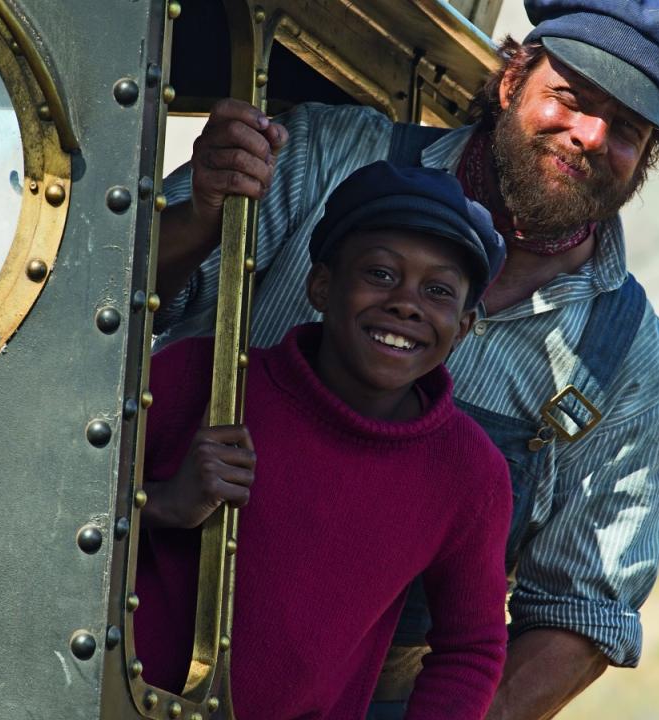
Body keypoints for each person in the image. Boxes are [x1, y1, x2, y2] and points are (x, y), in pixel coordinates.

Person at [151, 1, 659, 717]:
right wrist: (202, 210)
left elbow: (583, 612)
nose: (592, 135)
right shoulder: (326, 155)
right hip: (156, 645)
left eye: (629, 128)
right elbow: (122, 303)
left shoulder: (628, 356)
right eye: (572, 99)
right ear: (512, 81)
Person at [134, 161, 513, 719]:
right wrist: (165, 503)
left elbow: (471, 648)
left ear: (459, 329)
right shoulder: (199, 378)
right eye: (380, 274)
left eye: (437, 291)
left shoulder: (469, 471)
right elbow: (59, 511)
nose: (406, 303)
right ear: (321, 285)